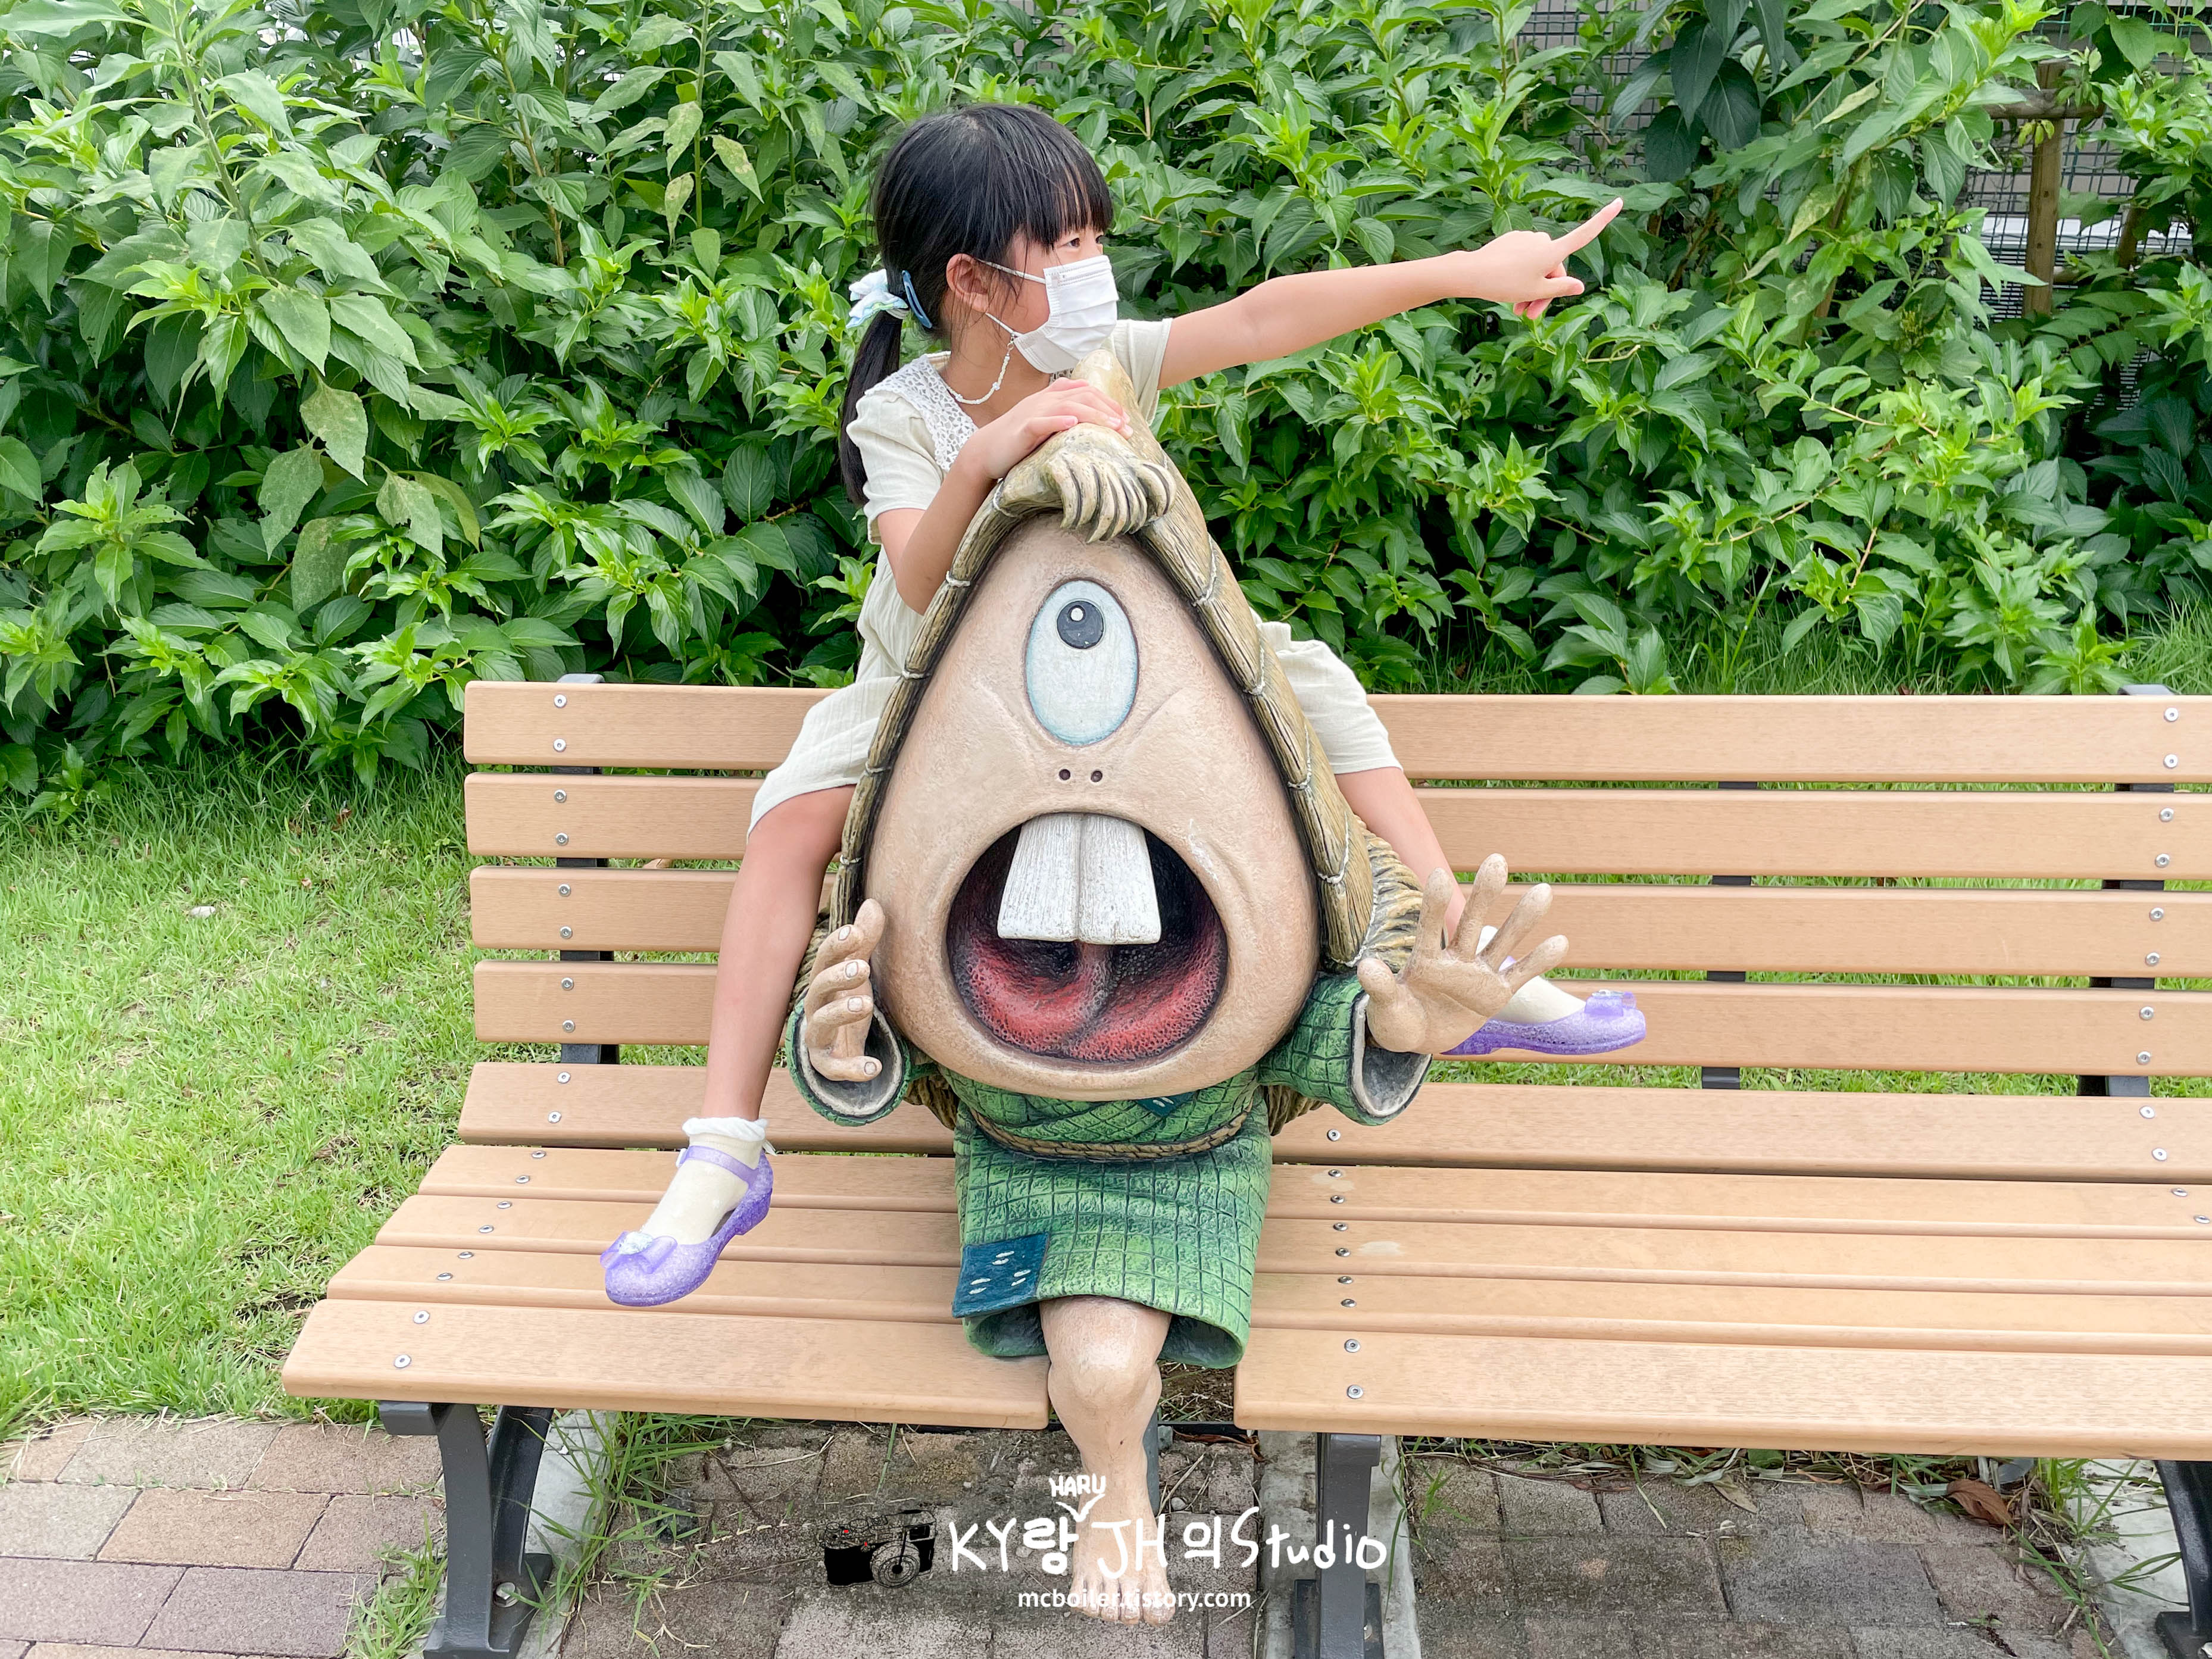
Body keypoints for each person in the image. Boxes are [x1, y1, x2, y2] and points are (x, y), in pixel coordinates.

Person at [599, 101, 1633, 1308]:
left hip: (1142, 680)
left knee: (1326, 697)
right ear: (973, 282)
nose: (1097, 266)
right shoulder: (904, 414)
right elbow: (918, 581)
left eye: (1097, 238)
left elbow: (1265, 316)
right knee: (787, 824)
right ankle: (725, 1147)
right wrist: (990, 454)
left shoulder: (1109, 367)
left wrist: (1464, 271)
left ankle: (1457, 947)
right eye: (1069, 245)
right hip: (935, 691)